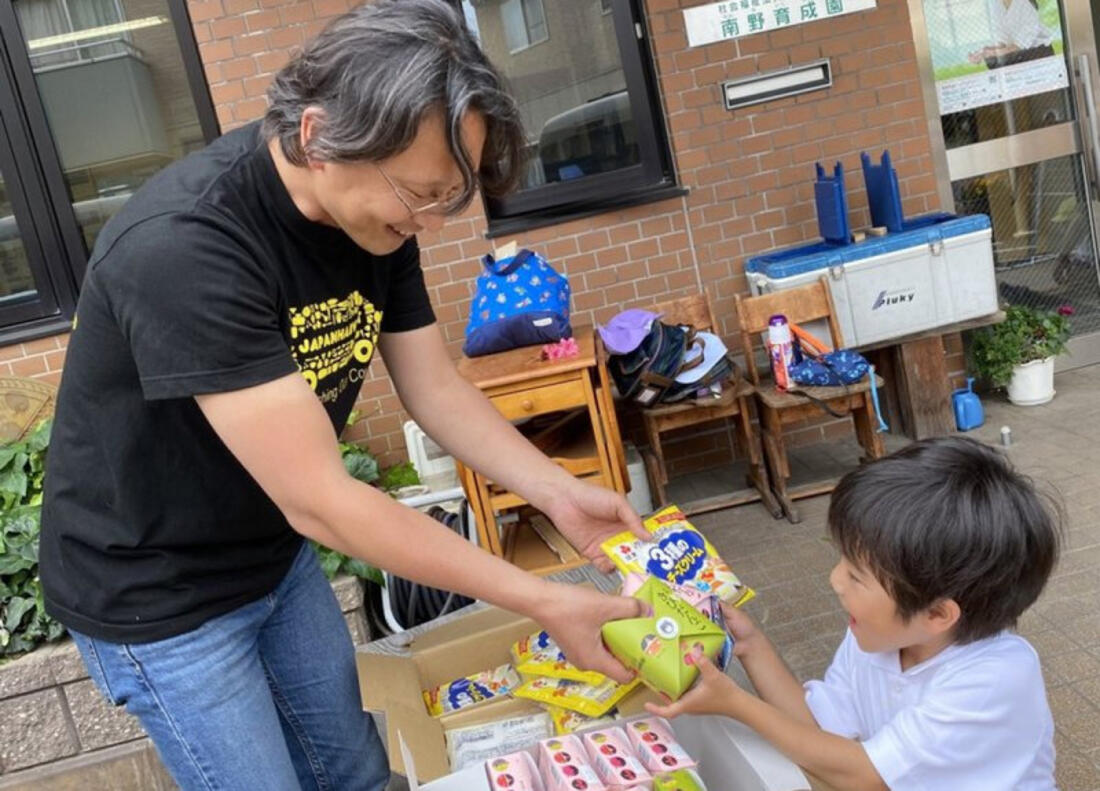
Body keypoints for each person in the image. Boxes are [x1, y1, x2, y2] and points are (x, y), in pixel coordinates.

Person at [38, 1, 649, 789]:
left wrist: (556, 490)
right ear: (319, 135)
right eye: (423, 193)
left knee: (354, 772)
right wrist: (541, 599)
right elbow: (323, 501)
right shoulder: (186, 247)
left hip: (267, 552)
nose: (430, 221)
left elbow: (432, 386)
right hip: (156, 590)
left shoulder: (377, 219)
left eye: (448, 199)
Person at [648, 437, 1061, 791]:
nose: (835, 580)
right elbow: (819, 730)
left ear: (937, 614)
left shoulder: (995, 676)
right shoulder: (879, 637)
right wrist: (752, 645)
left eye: (856, 576)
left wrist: (734, 703)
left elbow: (862, 774)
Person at [968, 0, 1054, 68]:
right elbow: (1003, 42)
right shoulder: (995, 3)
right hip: (1017, 56)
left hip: (1039, 54)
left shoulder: (1025, 3)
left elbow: (1021, 44)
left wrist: (991, 53)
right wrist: (982, 52)